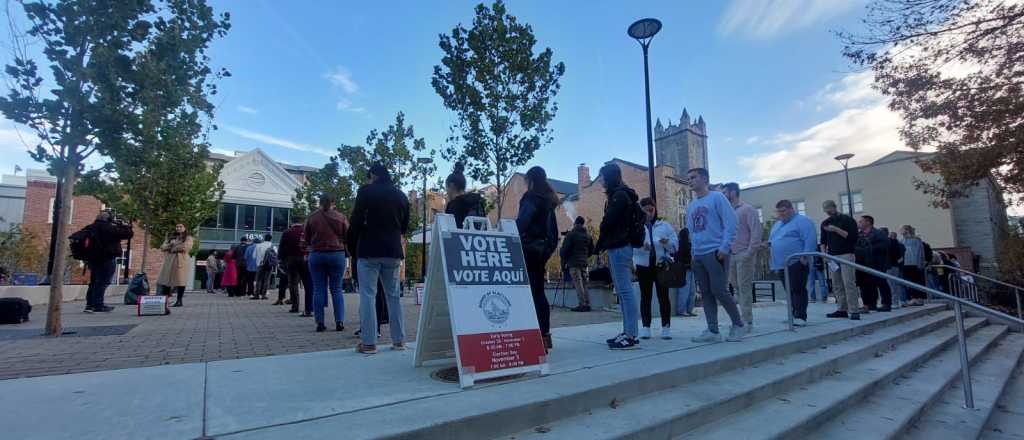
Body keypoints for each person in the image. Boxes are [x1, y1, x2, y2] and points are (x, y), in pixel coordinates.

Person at [350, 163, 410, 354]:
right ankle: (399, 340)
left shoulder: (366, 192)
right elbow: (404, 225)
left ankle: (368, 343)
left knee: (368, 295)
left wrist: (351, 244)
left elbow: (356, 221)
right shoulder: (401, 195)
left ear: (373, 175)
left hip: (369, 249)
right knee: (394, 296)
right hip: (392, 251)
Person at [686, 167, 748, 343]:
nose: (690, 180)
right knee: (705, 292)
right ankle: (713, 330)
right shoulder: (692, 205)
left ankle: (738, 325)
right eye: (688, 178)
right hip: (699, 254)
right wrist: (693, 253)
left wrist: (725, 247)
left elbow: (731, 222)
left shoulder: (717, 198)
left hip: (715, 251)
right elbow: (692, 231)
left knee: (719, 290)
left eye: (693, 177)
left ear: (705, 179)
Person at [595, 163, 642, 350]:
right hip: (620, 246)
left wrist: (598, 245)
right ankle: (628, 331)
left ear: (609, 177)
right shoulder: (622, 194)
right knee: (623, 292)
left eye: (602, 177)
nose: (600, 180)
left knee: (625, 291)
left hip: (620, 246)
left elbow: (608, 222)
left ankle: (630, 335)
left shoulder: (619, 196)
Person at [516, 166, 559, 352]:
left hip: (527, 249)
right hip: (541, 251)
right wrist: (547, 250)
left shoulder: (531, 198)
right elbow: (554, 233)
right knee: (539, 293)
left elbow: (522, 223)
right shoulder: (549, 201)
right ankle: (544, 335)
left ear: (530, 180)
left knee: (528, 293)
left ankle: (533, 337)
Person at [634, 197, 678, 339]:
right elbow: (632, 247)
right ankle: (646, 327)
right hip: (643, 266)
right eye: (645, 211)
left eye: (651, 210)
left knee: (663, 297)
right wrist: (642, 247)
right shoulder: (637, 227)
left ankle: (666, 327)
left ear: (655, 209)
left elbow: (675, 246)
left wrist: (666, 243)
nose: (649, 213)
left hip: (661, 265)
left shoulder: (664, 226)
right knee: (645, 297)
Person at [768, 200, 817, 326]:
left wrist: (805, 256)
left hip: (797, 261)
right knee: (789, 290)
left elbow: (810, 239)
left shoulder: (803, 221)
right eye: (779, 211)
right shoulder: (777, 225)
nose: (781, 214)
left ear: (791, 209)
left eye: (783, 211)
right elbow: (772, 241)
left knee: (798, 289)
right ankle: (793, 314)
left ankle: (801, 316)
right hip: (781, 264)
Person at [305, 193, 349, 332]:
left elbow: (306, 237)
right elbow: (348, 235)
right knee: (336, 289)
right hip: (336, 254)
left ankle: (320, 322)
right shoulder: (341, 217)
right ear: (333, 203)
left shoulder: (312, 217)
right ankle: (339, 321)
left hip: (317, 254)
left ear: (320, 202)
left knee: (318, 289)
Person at [722, 182, 762, 329]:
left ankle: (747, 321)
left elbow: (756, 232)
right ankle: (740, 319)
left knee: (744, 288)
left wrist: (749, 253)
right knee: (736, 287)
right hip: (730, 255)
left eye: (725, 192)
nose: (723, 195)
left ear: (733, 192)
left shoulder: (747, 209)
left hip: (743, 253)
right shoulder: (727, 211)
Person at [83, 211, 133, 313]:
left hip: (93, 259)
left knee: (94, 282)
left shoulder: (90, 227)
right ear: (108, 219)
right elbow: (128, 234)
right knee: (103, 282)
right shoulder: (109, 228)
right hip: (107, 258)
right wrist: (125, 225)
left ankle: (89, 304)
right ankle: (98, 305)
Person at [821, 200, 862, 320]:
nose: (827, 211)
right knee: (837, 284)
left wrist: (835, 229)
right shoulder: (825, 223)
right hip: (832, 256)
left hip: (846, 254)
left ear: (834, 207)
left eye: (829, 208)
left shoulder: (847, 220)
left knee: (849, 282)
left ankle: (854, 310)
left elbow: (853, 237)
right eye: (825, 209)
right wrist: (824, 255)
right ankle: (841, 309)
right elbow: (823, 241)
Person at [855, 215, 893, 312]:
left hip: (877, 263)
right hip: (862, 264)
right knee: (865, 285)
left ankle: (886, 303)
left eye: (861, 221)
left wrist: (868, 248)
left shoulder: (878, 233)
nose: (858, 223)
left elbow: (885, 245)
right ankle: (869, 304)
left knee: (881, 282)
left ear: (868, 222)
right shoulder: (858, 235)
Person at [561, 216, 594, 312]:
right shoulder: (588, 236)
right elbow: (592, 250)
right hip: (583, 263)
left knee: (578, 283)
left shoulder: (571, 235)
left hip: (573, 263)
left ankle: (582, 304)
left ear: (575, 223)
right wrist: (585, 256)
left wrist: (564, 259)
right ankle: (587, 304)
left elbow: (564, 250)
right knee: (584, 283)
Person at [279, 215, 310, 313]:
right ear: (302, 221)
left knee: (293, 283)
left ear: (292, 222)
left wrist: (282, 259)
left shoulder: (286, 232)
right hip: (305, 258)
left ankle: (295, 306)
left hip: (291, 259)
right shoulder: (306, 231)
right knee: (307, 282)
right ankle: (308, 307)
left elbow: (282, 248)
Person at [157, 224, 194, 307]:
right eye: (177, 227)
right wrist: (170, 244)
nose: (178, 228)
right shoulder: (171, 237)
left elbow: (186, 247)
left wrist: (173, 247)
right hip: (170, 260)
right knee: (166, 280)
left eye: (181, 227)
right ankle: (166, 300)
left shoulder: (188, 237)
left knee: (181, 281)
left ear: (184, 228)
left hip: (181, 260)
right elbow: (162, 247)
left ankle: (179, 300)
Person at [444, 161, 485, 229]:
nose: (446, 192)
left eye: (446, 188)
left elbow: (450, 232)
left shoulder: (453, 205)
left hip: (460, 239)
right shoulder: (478, 202)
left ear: (451, 186)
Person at [899, 225, 927, 306]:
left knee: (916, 281)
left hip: (914, 264)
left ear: (907, 230)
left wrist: (920, 263)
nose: (900, 231)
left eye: (902, 229)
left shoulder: (916, 240)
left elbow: (920, 252)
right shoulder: (901, 241)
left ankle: (918, 298)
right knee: (908, 282)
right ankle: (912, 298)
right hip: (905, 264)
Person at [673, 227, 696, 317]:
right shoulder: (683, 245)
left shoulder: (685, 244)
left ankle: (687, 309)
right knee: (686, 290)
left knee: (690, 290)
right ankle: (683, 310)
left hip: (689, 269)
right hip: (685, 270)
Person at [247, 235, 273, 300]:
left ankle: (257, 295)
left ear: (264, 238)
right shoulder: (273, 246)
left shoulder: (258, 245)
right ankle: (264, 295)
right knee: (266, 280)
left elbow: (254, 256)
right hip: (269, 265)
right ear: (271, 239)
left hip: (260, 265)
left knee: (258, 280)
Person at [886, 230, 906, 307]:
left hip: (891, 265)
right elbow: (901, 257)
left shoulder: (893, 244)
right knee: (895, 284)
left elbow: (899, 256)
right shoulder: (899, 244)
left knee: (892, 284)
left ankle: (894, 302)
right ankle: (897, 301)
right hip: (896, 266)